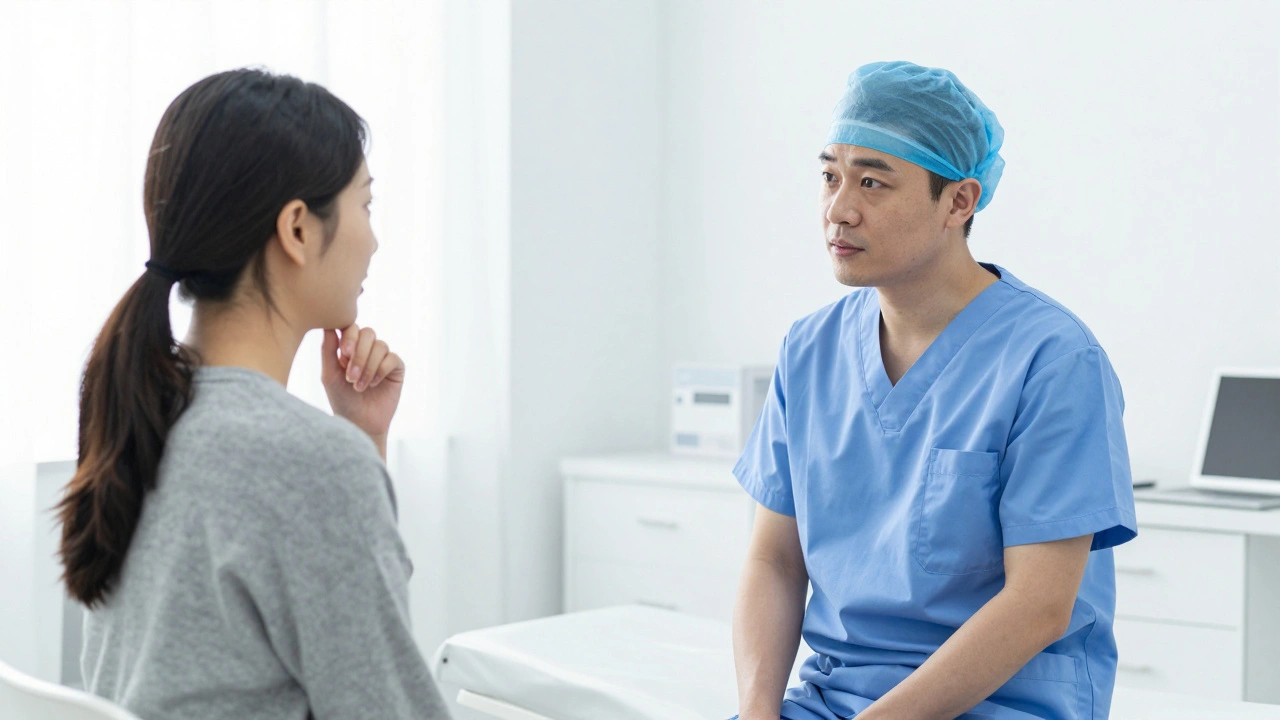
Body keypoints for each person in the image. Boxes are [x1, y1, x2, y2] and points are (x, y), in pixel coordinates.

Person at [730, 61, 1138, 720]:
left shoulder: (1054, 360)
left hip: (1002, 703)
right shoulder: (809, 351)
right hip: (832, 700)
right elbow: (775, 560)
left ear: (959, 201)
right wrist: (756, 712)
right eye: (830, 177)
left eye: (872, 182)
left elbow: (1038, 606)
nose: (839, 210)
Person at [56, 69, 450, 719]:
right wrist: (348, 455)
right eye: (366, 205)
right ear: (297, 230)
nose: (374, 240)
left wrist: (361, 436)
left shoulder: (140, 413)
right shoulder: (311, 465)